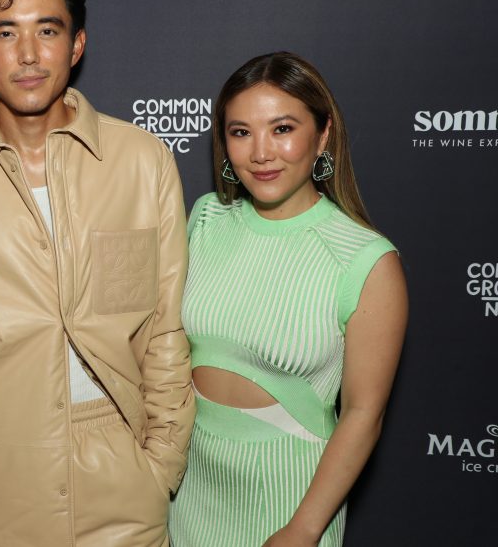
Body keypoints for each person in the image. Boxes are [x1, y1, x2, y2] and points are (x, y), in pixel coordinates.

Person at [0, 0, 194, 547]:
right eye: (6, 33)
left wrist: (160, 464)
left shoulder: (142, 161)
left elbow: (164, 329)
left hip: (125, 483)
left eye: (48, 31)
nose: (30, 54)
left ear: (77, 44)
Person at [167, 52, 408, 546]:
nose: (260, 152)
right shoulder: (206, 219)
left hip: (290, 492)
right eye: (240, 132)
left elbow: (364, 413)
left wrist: (304, 528)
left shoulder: (364, 258)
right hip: (189, 486)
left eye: (281, 129)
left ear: (322, 136)